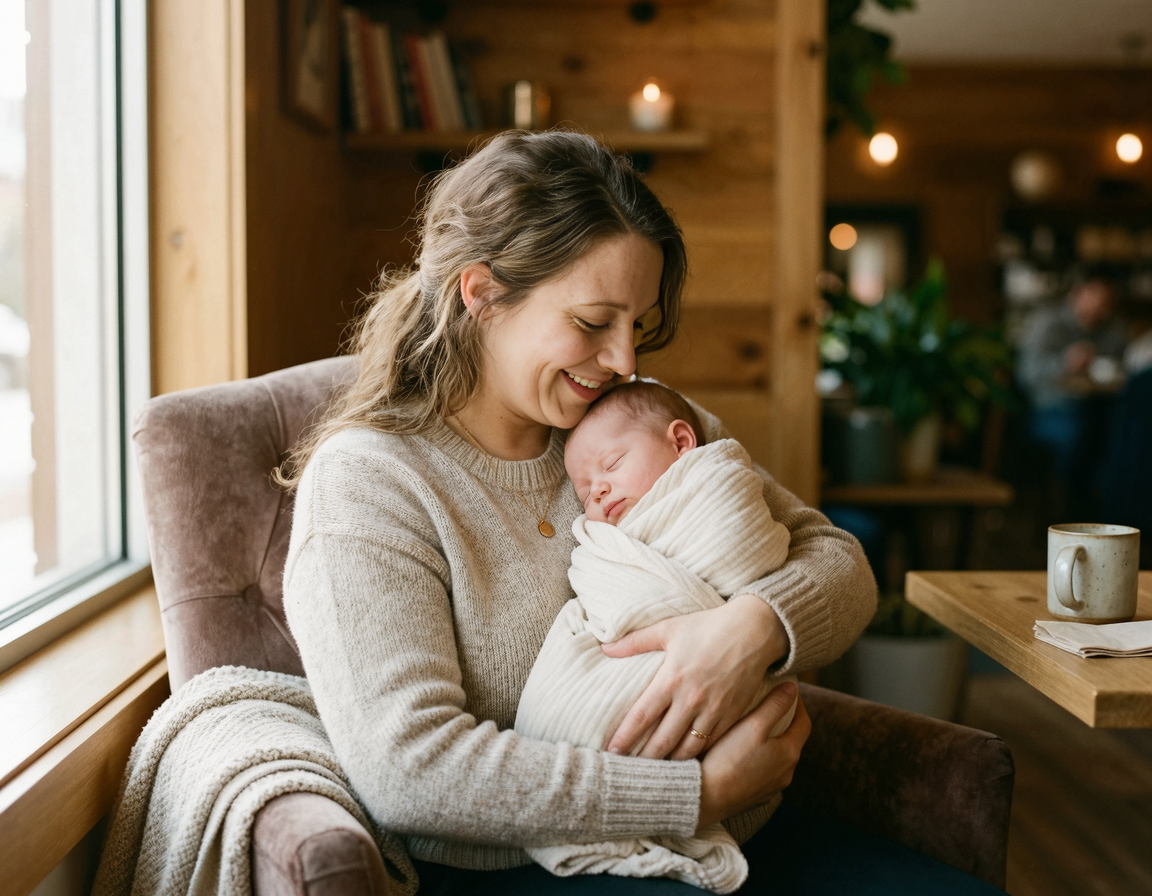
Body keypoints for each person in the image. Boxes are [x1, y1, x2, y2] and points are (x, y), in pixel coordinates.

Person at [279, 130, 1000, 894]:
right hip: (529, 869)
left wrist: (751, 630)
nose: (625, 361)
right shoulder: (371, 482)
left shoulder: (632, 429)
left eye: (640, 326)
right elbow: (409, 768)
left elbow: (841, 564)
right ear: (482, 294)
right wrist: (697, 793)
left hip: (738, 838)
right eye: (594, 323)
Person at [516, 382, 795, 892]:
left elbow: (817, 551)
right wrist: (705, 792)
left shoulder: (697, 469)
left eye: (612, 465)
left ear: (682, 442)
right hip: (560, 817)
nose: (597, 492)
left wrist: (756, 625)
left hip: (758, 809)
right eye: (584, 492)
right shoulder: (378, 474)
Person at [1017, 274, 1128, 519]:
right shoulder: (1049, 324)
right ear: (1077, 293)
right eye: (1094, 299)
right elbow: (1026, 373)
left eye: (1105, 303)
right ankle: (1070, 510)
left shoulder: (1114, 332)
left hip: (1100, 408)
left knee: (1124, 432)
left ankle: (1114, 511)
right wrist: (1063, 363)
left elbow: (1122, 372)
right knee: (1085, 432)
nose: (1098, 309)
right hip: (1049, 410)